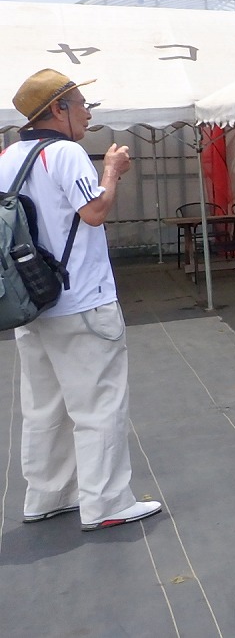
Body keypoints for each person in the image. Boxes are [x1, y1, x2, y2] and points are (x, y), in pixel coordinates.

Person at [1, 68, 162, 531]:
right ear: (58, 109)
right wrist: (111, 171)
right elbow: (94, 212)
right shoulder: (66, 153)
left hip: (33, 302)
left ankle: (47, 494)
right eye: (81, 104)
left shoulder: (9, 156)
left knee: (44, 406)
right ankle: (106, 502)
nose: (88, 114)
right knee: (99, 405)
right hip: (81, 299)